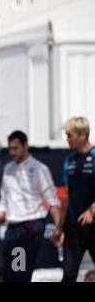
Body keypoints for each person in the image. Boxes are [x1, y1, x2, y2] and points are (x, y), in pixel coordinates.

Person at [0, 130, 61, 282]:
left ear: (25, 146)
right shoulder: (8, 169)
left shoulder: (39, 169)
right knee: (10, 274)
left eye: (15, 148)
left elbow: (52, 200)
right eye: (10, 148)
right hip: (12, 228)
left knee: (21, 271)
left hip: (30, 226)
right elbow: (5, 201)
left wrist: (58, 227)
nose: (12, 152)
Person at [54, 117, 95, 282]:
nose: (67, 139)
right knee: (69, 274)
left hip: (93, 224)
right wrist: (59, 227)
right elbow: (66, 195)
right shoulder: (69, 160)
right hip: (73, 228)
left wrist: (92, 209)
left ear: (82, 135)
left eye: (69, 135)